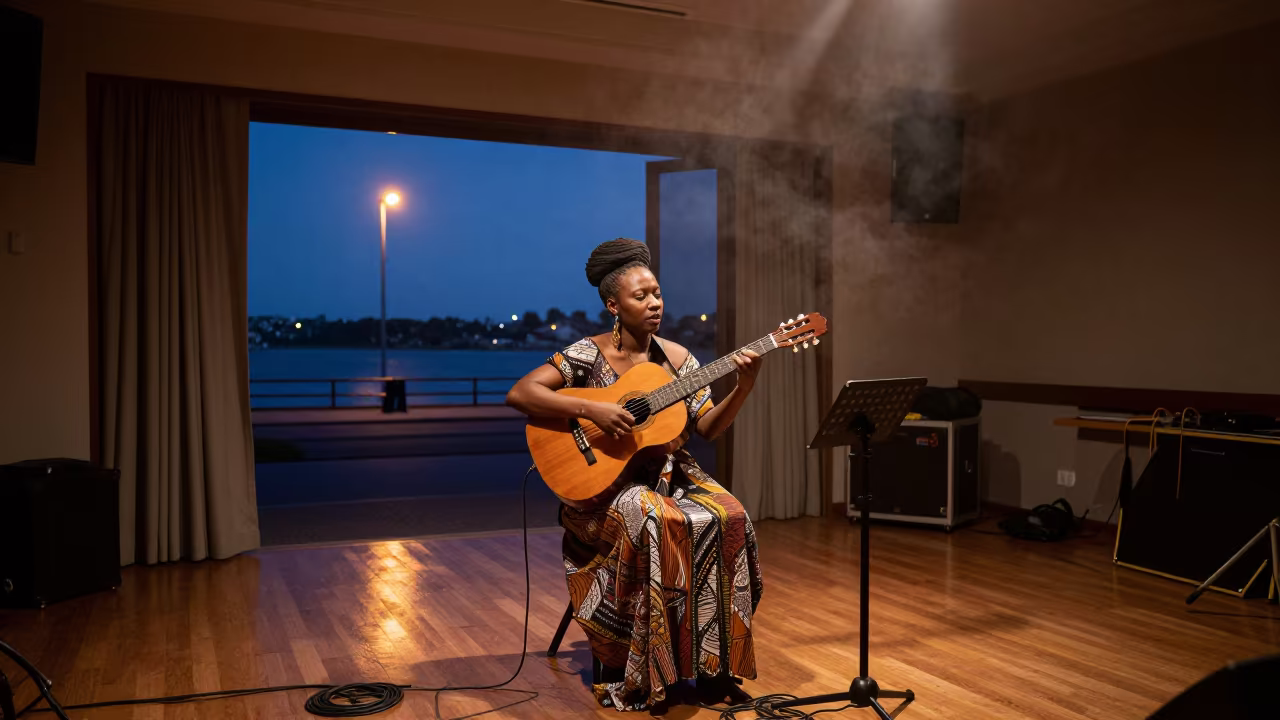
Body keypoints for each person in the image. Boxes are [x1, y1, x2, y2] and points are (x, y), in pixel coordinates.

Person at [507, 238, 764, 712]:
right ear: (613, 305)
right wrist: (592, 409)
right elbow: (521, 394)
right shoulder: (587, 354)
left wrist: (744, 386)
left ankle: (713, 666)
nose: (654, 304)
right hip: (603, 492)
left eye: (657, 294)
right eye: (640, 296)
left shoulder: (678, 360)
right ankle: (639, 665)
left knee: (730, 515)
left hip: (670, 474)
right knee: (650, 517)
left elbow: (708, 427)